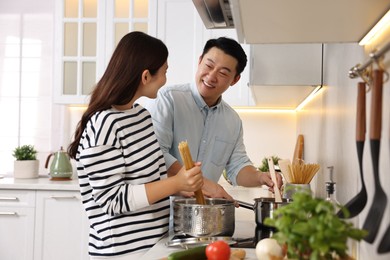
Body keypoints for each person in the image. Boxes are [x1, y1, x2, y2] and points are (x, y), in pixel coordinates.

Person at [67, 31, 203, 259]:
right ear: (146, 76)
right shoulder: (104, 124)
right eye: (164, 72)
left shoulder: (141, 116)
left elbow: (152, 181)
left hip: (154, 244)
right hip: (121, 252)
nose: (166, 79)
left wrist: (182, 186)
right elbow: (112, 200)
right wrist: (175, 183)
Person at [146, 37, 282, 200]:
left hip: (204, 215)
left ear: (235, 80)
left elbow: (238, 167)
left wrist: (260, 177)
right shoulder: (169, 99)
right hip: (163, 213)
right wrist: (203, 183)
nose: (211, 76)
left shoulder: (232, 121)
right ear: (200, 61)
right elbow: (157, 152)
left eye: (223, 73)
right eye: (209, 66)